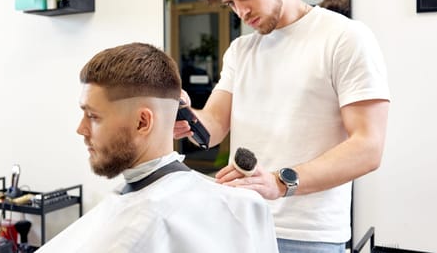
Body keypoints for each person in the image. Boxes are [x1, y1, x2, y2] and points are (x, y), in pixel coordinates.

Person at [174, 0, 390, 253]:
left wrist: (279, 183)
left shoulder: (345, 37)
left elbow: (368, 147)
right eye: (231, 3)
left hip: (308, 234)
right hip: (242, 223)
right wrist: (185, 115)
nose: (241, 11)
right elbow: (214, 127)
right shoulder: (240, 50)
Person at [38, 42, 278, 253]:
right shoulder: (246, 207)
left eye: (93, 116)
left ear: (143, 122)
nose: (81, 129)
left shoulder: (139, 227)